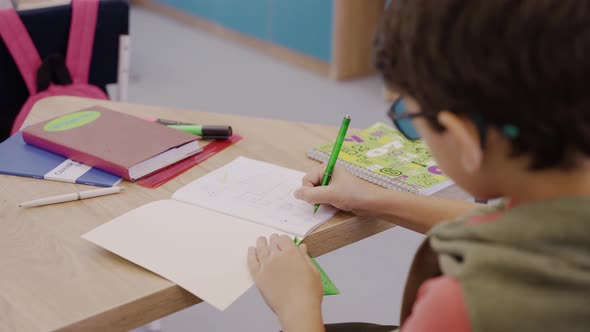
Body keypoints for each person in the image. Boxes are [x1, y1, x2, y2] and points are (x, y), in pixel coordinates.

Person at [247, 1, 590, 331]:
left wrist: (297, 309)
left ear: (461, 137)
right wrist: (370, 198)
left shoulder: (463, 306)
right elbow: (511, 228)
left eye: (408, 120)